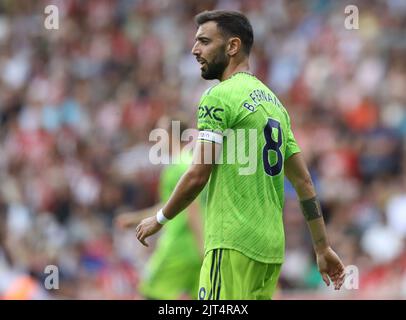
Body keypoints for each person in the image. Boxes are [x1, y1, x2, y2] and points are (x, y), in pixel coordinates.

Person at [135, 10, 345, 300]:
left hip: (232, 243)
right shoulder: (275, 105)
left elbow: (198, 174)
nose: (195, 50)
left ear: (232, 46)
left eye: (204, 42)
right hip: (271, 252)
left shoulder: (218, 97)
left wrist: (159, 218)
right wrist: (322, 247)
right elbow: (305, 183)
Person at [116, 114, 204, 299]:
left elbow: (192, 207)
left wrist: (201, 246)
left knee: (145, 294)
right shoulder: (193, 163)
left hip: (177, 248)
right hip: (197, 251)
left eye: (160, 132)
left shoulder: (177, 168)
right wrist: (135, 219)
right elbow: (171, 204)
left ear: (170, 135)